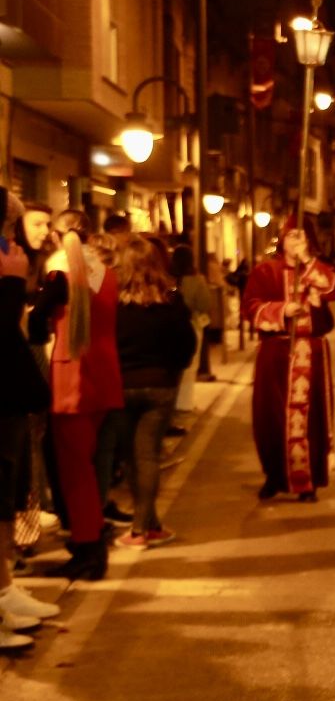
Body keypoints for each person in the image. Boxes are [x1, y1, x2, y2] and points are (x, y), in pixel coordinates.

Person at [29, 211, 123, 581]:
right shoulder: (104, 271)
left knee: (74, 471)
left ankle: (88, 548)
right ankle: (91, 537)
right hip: (103, 372)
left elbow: (37, 326)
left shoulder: (59, 270)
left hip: (72, 373)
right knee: (86, 464)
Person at [110, 235, 197, 548]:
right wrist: (173, 372)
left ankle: (141, 528)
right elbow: (187, 344)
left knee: (132, 459)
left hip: (121, 385)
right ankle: (145, 528)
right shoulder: (171, 299)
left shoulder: (113, 300)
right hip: (159, 385)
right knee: (147, 455)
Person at [245, 221, 335, 502]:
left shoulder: (316, 268)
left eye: (301, 237)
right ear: (282, 240)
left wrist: (307, 261)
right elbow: (250, 306)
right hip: (276, 353)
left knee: (310, 420)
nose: (295, 241)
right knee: (271, 418)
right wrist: (283, 310)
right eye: (291, 236)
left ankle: (307, 481)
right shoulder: (265, 270)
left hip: (311, 353)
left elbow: (333, 289)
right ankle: (274, 475)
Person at [0, 208, 57, 648]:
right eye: (12, 225)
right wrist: (14, 281)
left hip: (10, 397)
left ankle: (4, 592)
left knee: (7, 499)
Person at [170, 244, 212, 413]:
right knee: (190, 364)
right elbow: (205, 303)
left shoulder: (169, 278)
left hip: (171, 325)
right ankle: (184, 403)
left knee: (174, 364)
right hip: (191, 323)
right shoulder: (196, 280)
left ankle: (173, 401)